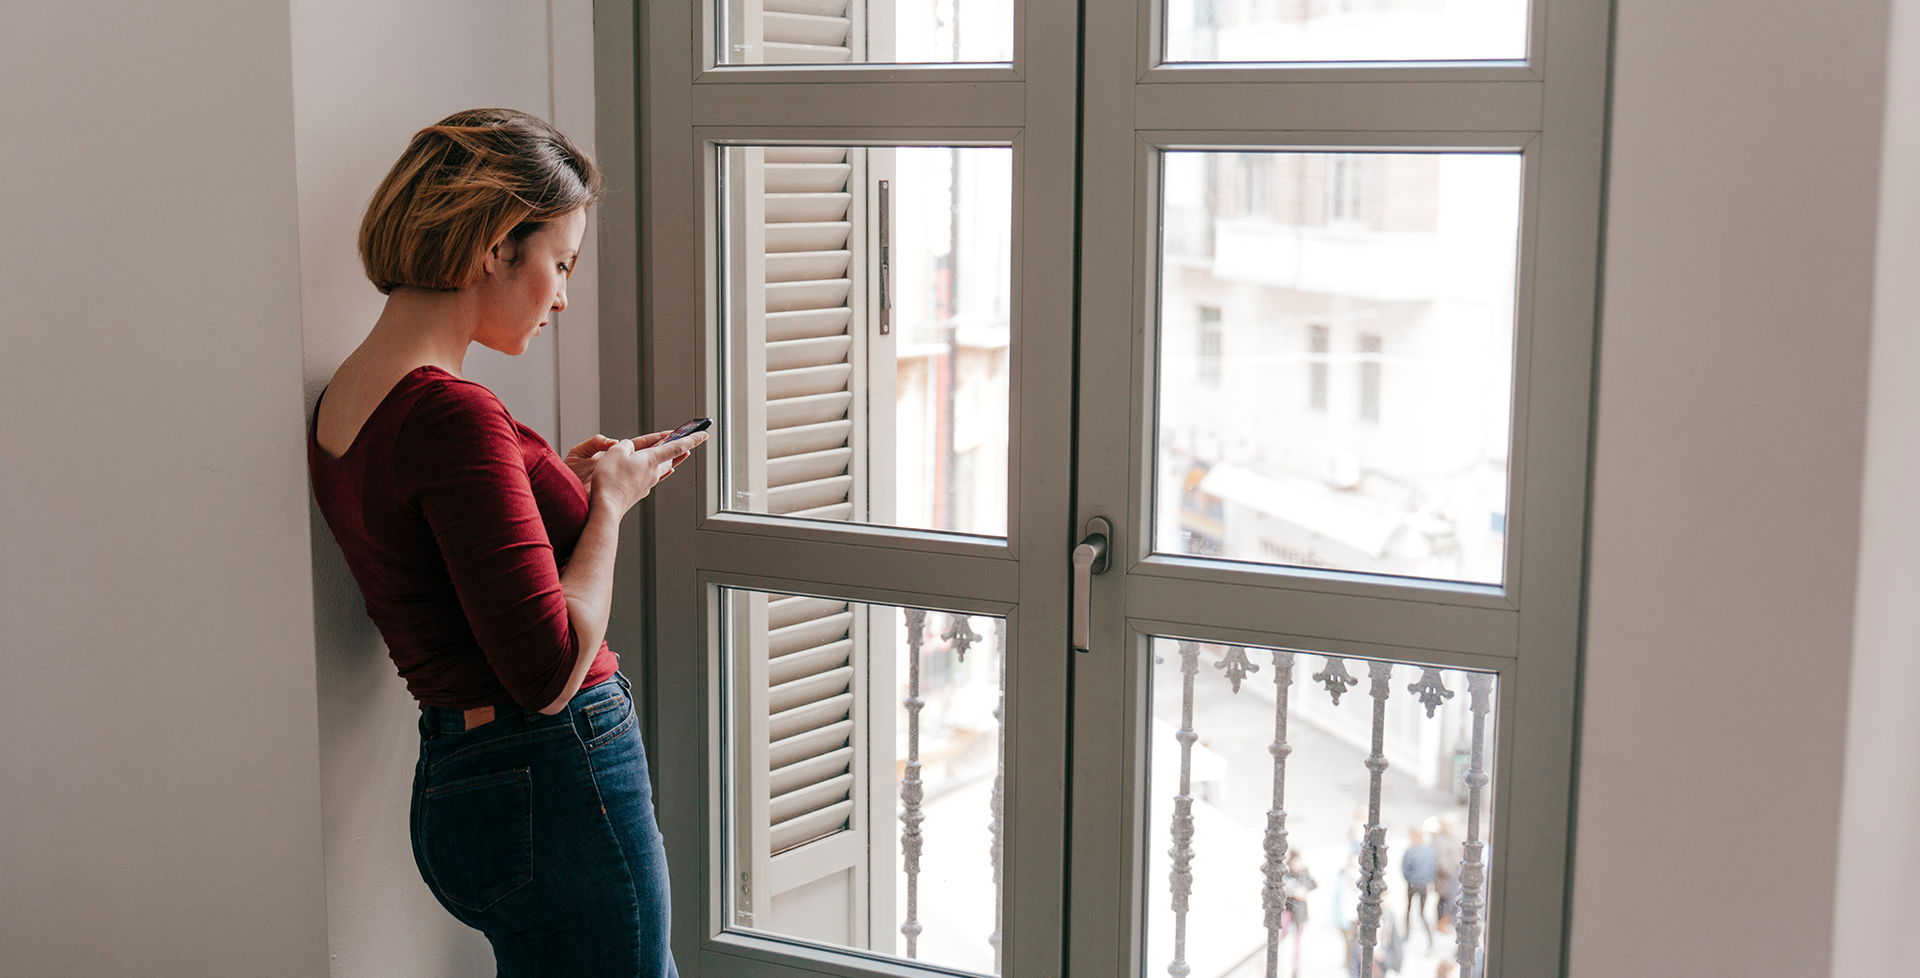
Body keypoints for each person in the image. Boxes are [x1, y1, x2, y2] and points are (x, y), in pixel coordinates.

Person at [309, 108, 698, 977]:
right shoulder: (455, 412)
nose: (562, 295)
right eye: (559, 263)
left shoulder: (351, 394)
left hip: (463, 777)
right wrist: (610, 505)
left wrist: (543, 485)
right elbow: (549, 671)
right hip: (552, 773)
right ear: (493, 248)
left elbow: (441, 542)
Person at [1401, 825, 1438, 948]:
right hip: (1423, 884)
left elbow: (1404, 869)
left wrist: (1410, 879)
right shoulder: (1429, 850)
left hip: (1413, 884)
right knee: (1422, 912)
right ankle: (1430, 939)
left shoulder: (1411, 851)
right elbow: (1433, 867)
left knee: (1409, 909)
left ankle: (1407, 934)